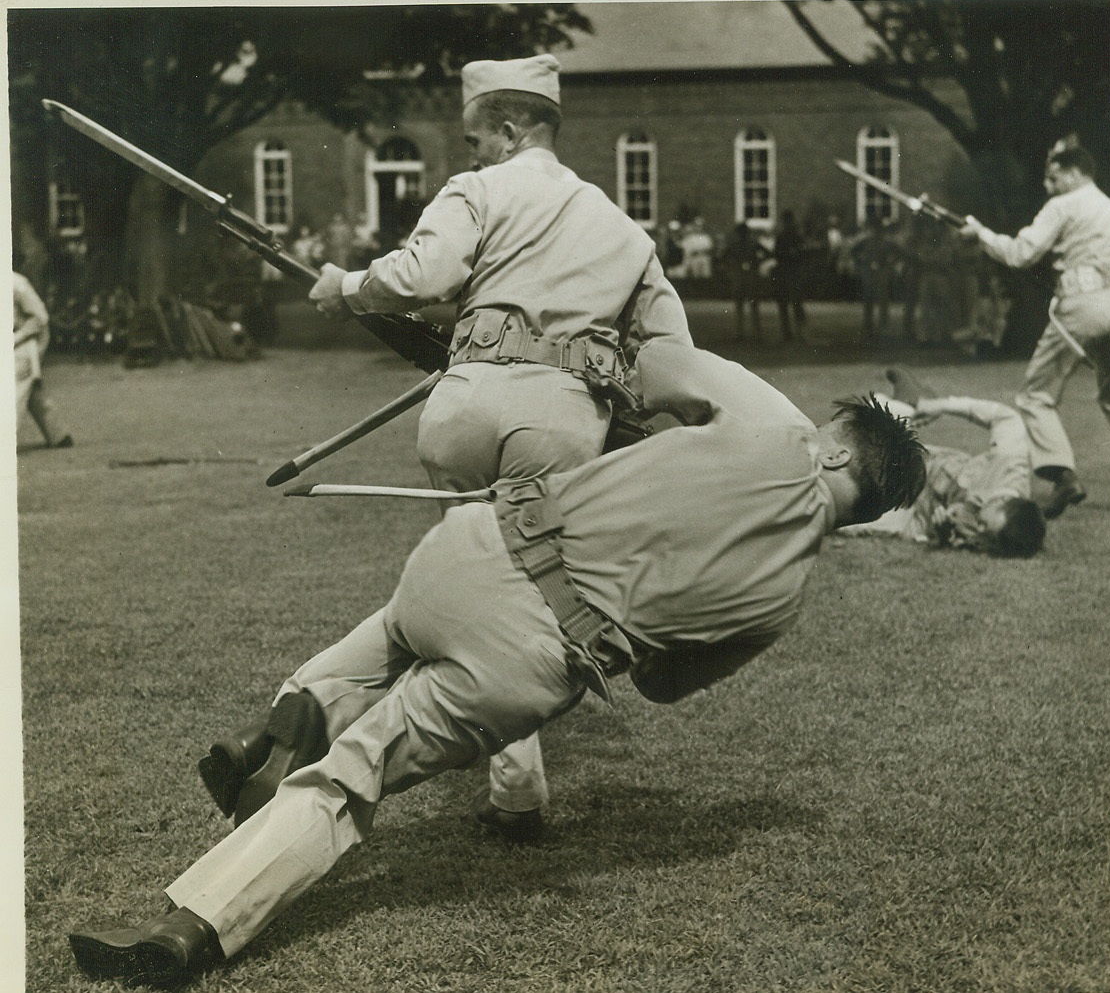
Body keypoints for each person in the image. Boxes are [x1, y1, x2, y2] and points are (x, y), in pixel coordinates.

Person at [67, 339, 927, 987]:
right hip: (534, 665)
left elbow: (661, 361)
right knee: (349, 781)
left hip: (480, 553)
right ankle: (189, 930)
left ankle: (304, 704)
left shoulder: (779, 430)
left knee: (392, 635)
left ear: (840, 451)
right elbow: (662, 685)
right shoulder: (783, 605)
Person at [200, 54, 692, 846]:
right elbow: (674, 356)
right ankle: (512, 791)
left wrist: (346, 283)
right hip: (561, 425)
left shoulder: (481, 190)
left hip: (462, 413)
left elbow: (424, 271)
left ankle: (308, 701)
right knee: (520, 604)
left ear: (506, 130)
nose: (467, 156)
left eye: (472, 141)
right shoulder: (622, 227)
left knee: (461, 592)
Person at [961, 143, 1110, 515]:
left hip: (1084, 304)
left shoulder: (1062, 205)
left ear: (1074, 173)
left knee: (1035, 394)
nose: (1047, 184)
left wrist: (982, 236)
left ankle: (1062, 476)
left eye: (1053, 176)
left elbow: (1022, 254)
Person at [837, 366, 1046, 557]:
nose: (977, 530)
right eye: (983, 526)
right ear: (1001, 501)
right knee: (865, 446)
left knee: (846, 518)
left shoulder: (995, 536)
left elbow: (964, 539)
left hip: (913, 515)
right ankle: (905, 407)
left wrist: (943, 534)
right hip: (923, 466)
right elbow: (1006, 417)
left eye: (985, 537)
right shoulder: (1010, 464)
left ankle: (900, 408)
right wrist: (941, 406)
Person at [13, 269, 73, 449]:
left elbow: (41, 318)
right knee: (32, 390)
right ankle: (59, 436)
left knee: (13, 386)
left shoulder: (17, 284)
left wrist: (21, 339)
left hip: (28, 342)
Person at [723, 222, 765, 341]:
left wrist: (731, 267)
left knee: (741, 305)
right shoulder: (752, 243)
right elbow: (767, 253)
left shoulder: (735, 244)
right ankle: (755, 332)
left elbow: (724, 257)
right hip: (749, 276)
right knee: (752, 305)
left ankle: (741, 332)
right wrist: (757, 262)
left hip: (740, 276)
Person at [770, 210, 808, 341]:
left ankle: (792, 333)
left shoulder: (788, 236)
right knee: (792, 304)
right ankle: (795, 333)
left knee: (789, 304)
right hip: (790, 273)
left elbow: (777, 253)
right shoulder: (794, 236)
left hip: (789, 273)